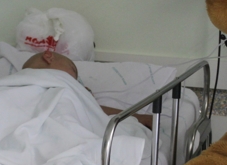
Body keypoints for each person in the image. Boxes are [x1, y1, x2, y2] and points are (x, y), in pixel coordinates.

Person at [21, 50, 153, 129]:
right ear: (49, 56)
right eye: (73, 70)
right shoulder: (15, 83)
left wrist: (84, 98)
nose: (74, 81)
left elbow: (90, 111)